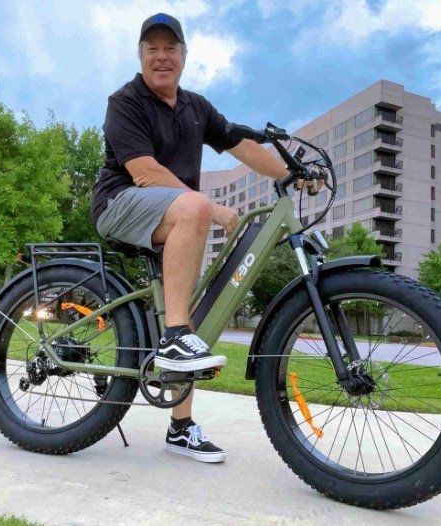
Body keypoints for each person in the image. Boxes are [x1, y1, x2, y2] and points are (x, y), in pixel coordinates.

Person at [91, 13, 315, 463]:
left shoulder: (196, 107)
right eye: (151, 48)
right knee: (193, 208)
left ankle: (181, 426)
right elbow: (145, 173)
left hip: (170, 215)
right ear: (140, 56)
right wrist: (208, 208)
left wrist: (295, 171)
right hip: (121, 203)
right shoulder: (126, 101)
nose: (161, 56)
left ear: (184, 56)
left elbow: (241, 145)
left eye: (170, 48)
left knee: (191, 310)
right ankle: (174, 336)